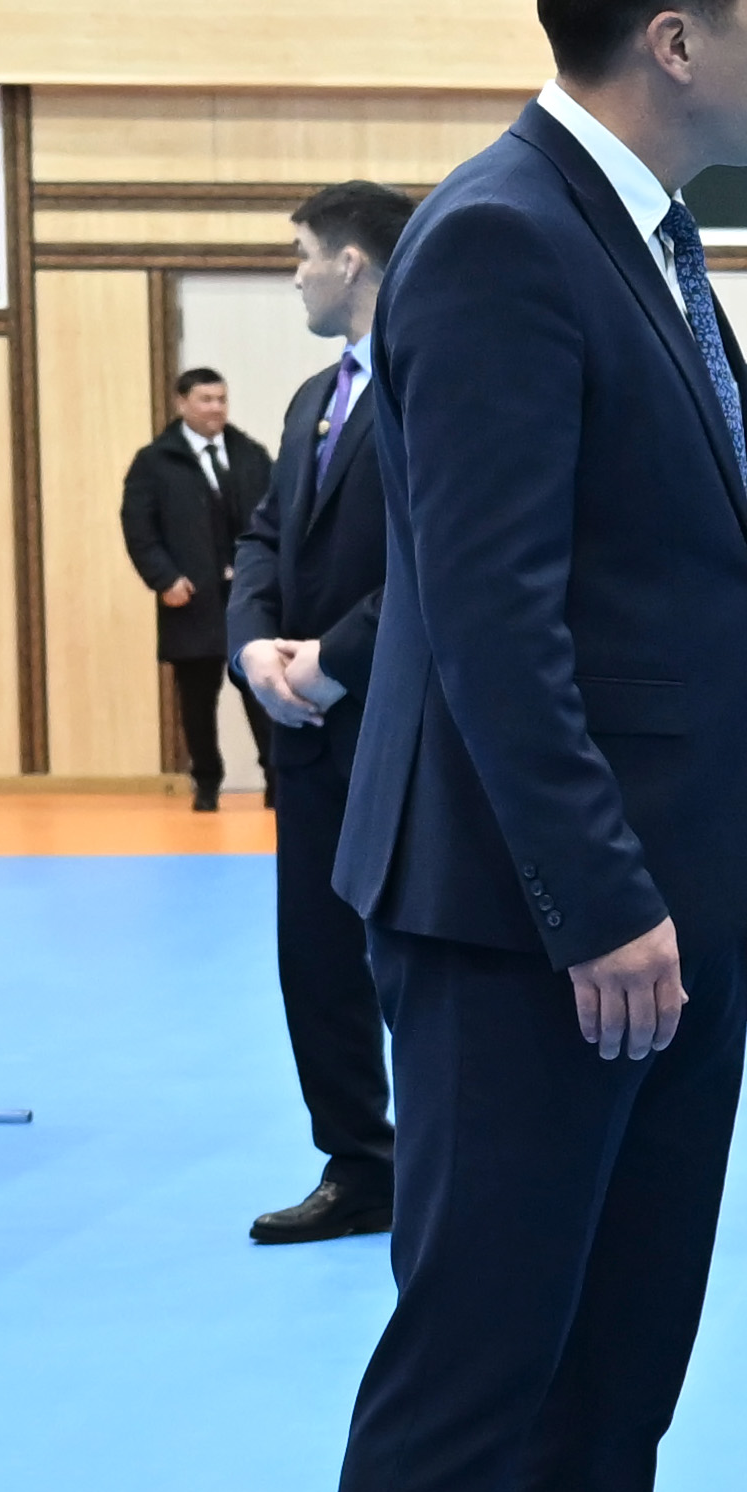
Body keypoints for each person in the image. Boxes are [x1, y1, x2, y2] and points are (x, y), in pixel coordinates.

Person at [307, 0, 747, 1492]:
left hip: (668, 906)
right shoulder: (503, 242)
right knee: (479, 1354)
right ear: (675, 38)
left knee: (618, 1350)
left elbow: (689, 601)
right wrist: (603, 896)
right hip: (527, 921)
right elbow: (497, 621)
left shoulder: (651, 247)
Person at [231, 180, 415, 1247]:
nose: (295, 274)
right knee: (317, 959)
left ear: (350, 262)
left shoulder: (435, 378)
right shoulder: (314, 397)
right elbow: (264, 536)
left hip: (401, 723)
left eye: (302, 253)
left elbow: (444, 548)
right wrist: (256, 649)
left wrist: (337, 660)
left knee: (417, 961)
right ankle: (359, 1163)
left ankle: (445, 1165)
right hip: (302, 731)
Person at [119, 366, 272, 811]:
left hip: (247, 597)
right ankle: (206, 782)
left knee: (262, 689)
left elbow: (275, 516)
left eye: (221, 399)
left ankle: (278, 780)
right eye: (205, 400)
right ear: (181, 402)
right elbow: (139, 528)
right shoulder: (154, 462)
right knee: (197, 700)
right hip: (190, 598)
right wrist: (164, 578)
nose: (216, 408)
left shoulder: (250, 455)